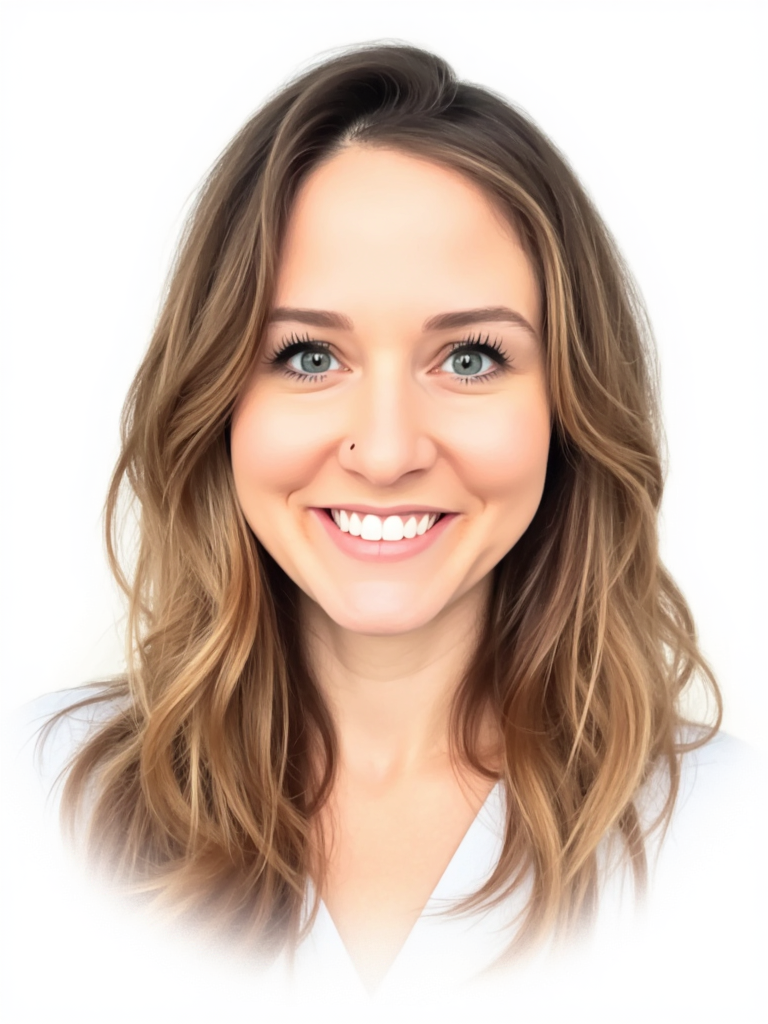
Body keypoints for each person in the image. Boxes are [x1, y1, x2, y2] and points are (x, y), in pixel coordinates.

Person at [9, 41, 761, 1023]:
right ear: (220, 401)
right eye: (311, 353)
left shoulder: (732, 836)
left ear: (567, 406)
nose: (388, 449)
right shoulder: (28, 804)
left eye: (473, 357)